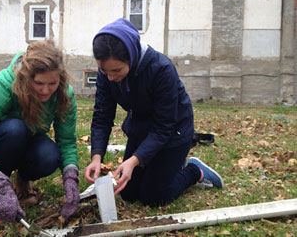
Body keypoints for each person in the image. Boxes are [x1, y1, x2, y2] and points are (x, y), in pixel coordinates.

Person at [84, 18, 223, 206]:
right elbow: (102, 115)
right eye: (104, 71)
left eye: (116, 70)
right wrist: (97, 156)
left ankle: (193, 171)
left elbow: (164, 126)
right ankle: (167, 167)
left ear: (131, 58)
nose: (110, 77)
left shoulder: (161, 69)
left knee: (153, 197)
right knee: (128, 192)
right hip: (141, 129)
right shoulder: (106, 73)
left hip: (174, 132)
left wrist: (133, 161)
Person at [0, 39, 80, 227]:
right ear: (26, 76)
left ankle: (22, 180)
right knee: (14, 129)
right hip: (0, 143)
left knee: (49, 155)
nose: (46, 90)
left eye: (52, 83)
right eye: (38, 83)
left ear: (60, 78)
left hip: (29, 140)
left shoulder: (64, 93)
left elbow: (67, 141)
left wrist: (71, 175)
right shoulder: (3, 85)